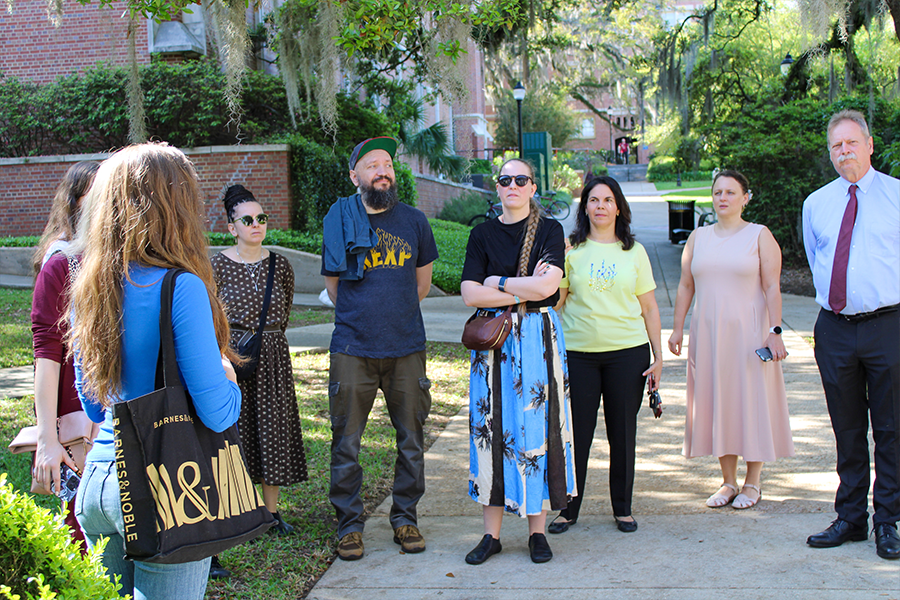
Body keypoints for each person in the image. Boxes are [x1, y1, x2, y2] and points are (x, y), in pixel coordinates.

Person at [69, 143, 242, 598]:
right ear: (176, 205)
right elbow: (218, 413)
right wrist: (230, 379)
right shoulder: (180, 287)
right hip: (166, 486)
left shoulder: (89, 288)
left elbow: (93, 401)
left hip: (100, 484)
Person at [321, 137, 439, 561]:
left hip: (406, 347)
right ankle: (349, 526)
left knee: (410, 438)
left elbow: (421, 285)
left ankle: (405, 517)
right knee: (346, 441)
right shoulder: (339, 219)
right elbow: (335, 288)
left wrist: (394, 316)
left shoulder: (414, 221)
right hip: (353, 348)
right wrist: (366, 318)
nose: (382, 171)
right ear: (356, 176)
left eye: (387, 163)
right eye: (372, 165)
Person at [461, 158, 576, 565]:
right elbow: (471, 295)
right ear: (498, 187)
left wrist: (500, 283)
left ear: (532, 187)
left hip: (537, 340)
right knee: (491, 429)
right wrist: (523, 292)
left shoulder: (549, 229)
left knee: (534, 428)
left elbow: (550, 285)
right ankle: (491, 535)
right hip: (493, 345)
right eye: (505, 179)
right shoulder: (482, 234)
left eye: (521, 179)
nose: (512, 185)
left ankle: (537, 532)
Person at [802, 110, 900, 560]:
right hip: (835, 329)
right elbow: (817, 257)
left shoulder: (897, 197)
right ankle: (851, 518)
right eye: (836, 146)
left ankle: (888, 521)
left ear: (869, 145)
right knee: (846, 429)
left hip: (888, 326)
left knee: (891, 429)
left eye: (851, 143)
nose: (844, 152)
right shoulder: (816, 203)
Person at [668, 170, 794, 510]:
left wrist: (775, 330)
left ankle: (753, 482)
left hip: (750, 333)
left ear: (745, 198)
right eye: (718, 192)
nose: (723, 197)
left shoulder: (759, 235)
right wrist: (678, 328)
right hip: (708, 334)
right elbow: (685, 286)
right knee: (717, 402)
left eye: (730, 192)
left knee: (751, 402)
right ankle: (728, 481)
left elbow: (771, 286)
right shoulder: (698, 237)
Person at [547, 175, 662, 536]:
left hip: (628, 355)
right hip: (578, 354)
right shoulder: (571, 250)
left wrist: (658, 356)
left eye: (607, 200)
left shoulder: (635, 252)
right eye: (593, 200)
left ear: (618, 207)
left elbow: (650, 308)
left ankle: (622, 508)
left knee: (622, 433)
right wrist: (549, 268)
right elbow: (557, 302)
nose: (600, 206)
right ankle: (568, 509)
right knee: (577, 435)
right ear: (586, 207)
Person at [211, 184, 307, 537]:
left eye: (261, 218)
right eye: (247, 220)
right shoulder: (216, 265)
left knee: (273, 429)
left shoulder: (279, 265)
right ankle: (237, 511)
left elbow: (283, 312)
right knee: (235, 430)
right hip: (232, 356)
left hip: (273, 357)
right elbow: (210, 314)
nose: (256, 225)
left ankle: (270, 513)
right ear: (232, 227)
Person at [30, 161, 99, 549]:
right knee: (83, 527)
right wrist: (47, 439)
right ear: (75, 203)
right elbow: (47, 355)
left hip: (119, 413)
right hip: (77, 414)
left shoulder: (125, 260)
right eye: (96, 194)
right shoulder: (60, 264)